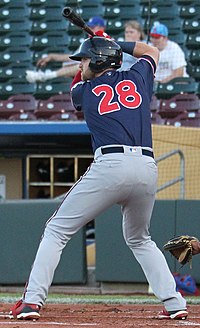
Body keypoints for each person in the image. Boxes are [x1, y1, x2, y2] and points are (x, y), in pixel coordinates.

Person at [10, 33, 188, 321]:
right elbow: (150, 51)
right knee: (141, 239)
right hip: (146, 166)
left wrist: (106, 44)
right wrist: (116, 41)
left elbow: (80, 81)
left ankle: (31, 302)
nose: (81, 65)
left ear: (98, 61)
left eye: (84, 60)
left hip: (111, 164)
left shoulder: (84, 90)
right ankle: (173, 301)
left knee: (56, 230)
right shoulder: (139, 76)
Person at [26, 16, 106, 83]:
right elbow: (75, 57)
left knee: (83, 66)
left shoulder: (106, 41)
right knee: (79, 65)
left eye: (92, 27)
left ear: (101, 28)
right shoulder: (89, 41)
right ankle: (45, 76)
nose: (90, 29)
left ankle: (46, 76)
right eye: (89, 27)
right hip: (89, 75)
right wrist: (53, 57)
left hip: (100, 74)